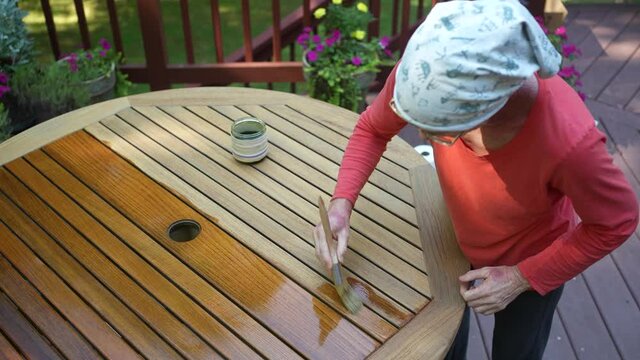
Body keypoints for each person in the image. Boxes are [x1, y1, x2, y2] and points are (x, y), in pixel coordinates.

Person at [312, 0, 639, 359]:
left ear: (488, 109)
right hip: (455, 235)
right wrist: (342, 203)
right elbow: (373, 128)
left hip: (534, 259)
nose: (421, 135)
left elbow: (616, 222)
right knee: (445, 342)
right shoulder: (430, 70)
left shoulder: (569, 142)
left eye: (439, 128)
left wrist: (520, 278)